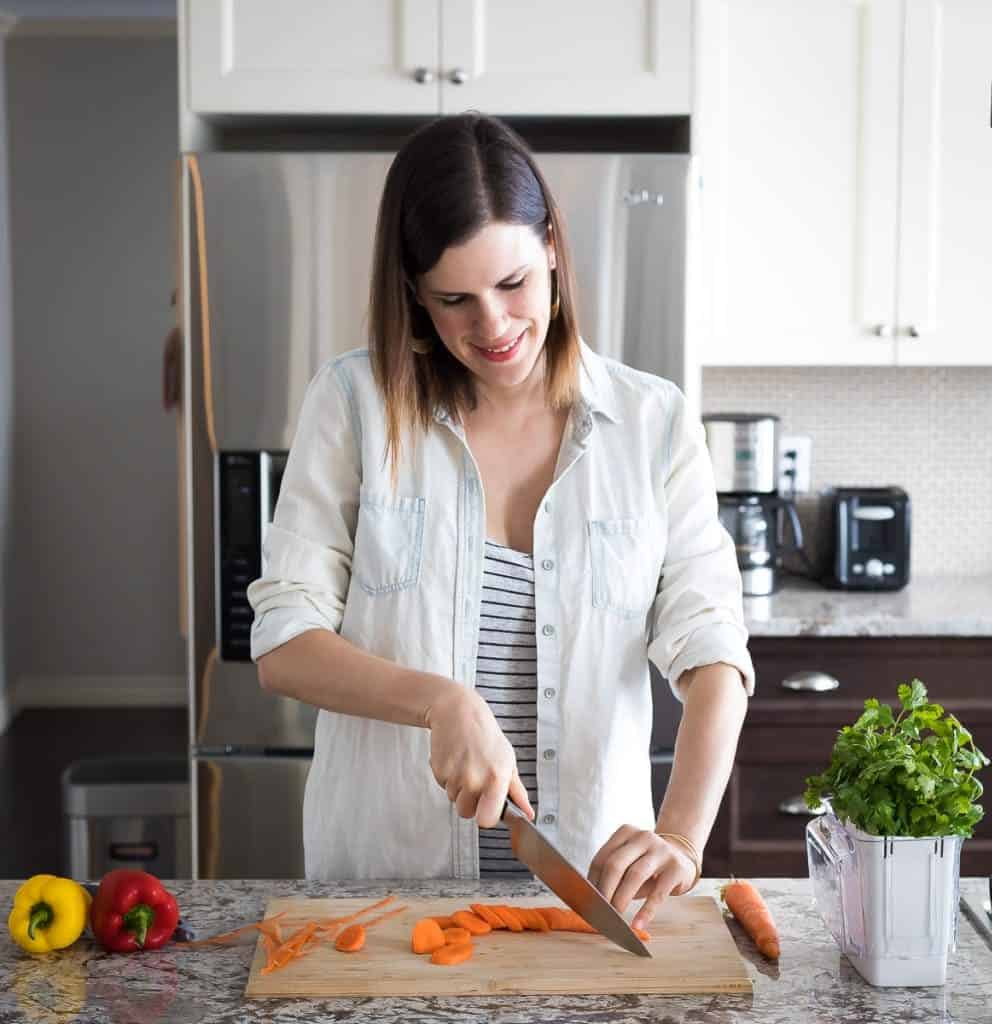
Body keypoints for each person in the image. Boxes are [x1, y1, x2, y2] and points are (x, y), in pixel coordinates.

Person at [248, 112, 754, 932]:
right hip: (386, 901)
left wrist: (681, 836)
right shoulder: (352, 406)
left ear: (552, 246)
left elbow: (713, 652)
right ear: (413, 289)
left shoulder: (654, 423)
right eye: (455, 299)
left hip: (587, 905)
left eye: (513, 284)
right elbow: (283, 642)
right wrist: (442, 703)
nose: (493, 326)